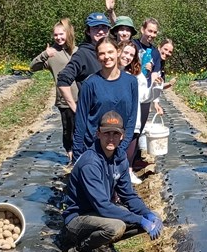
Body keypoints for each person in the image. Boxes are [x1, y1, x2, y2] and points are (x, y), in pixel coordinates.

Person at [60, 111, 163, 252]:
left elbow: (128, 194)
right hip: (78, 217)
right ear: (98, 134)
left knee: (152, 216)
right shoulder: (90, 164)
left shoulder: (119, 157)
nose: (111, 138)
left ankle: (99, 244)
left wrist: (147, 214)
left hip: (99, 212)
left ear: (122, 136)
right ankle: (79, 249)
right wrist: (140, 219)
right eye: (106, 133)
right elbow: (103, 207)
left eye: (116, 134)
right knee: (116, 226)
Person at [73, 36, 139, 162]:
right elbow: (80, 123)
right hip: (93, 148)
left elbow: (132, 118)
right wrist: (77, 157)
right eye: (102, 54)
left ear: (118, 52)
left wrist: (123, 146)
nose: (106, 57)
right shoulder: (90, 84)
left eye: (110, 52)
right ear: (97, 57)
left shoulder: (131, 82)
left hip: (119, 148)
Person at [32, 19, 78, 163]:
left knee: (81, 129)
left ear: (69, 33)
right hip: (64, 100)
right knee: (68, 129)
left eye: (61, 34)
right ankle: (71, 155)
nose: (58, 38)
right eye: (55, 35)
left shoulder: (78, 51)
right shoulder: (52, 54)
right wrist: (44, 54)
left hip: (82, 97)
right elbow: (33, 67)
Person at [119, 39, 162, 180]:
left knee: (129, 147)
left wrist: (155, 88)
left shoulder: (136, 75)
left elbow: (144, 96)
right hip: (114, 120)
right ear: (118, 51)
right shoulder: (110, 71)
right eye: (125, 52)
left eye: (131, 55)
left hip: (132, 119)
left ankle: (127, 174)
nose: (127, 57)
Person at [57, 12, 112, 112]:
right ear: (88, 31)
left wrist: (111, 11)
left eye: (104, 27)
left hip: (111, 114)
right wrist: (76, 109)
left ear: (108, 31)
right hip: (92, 115)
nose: (101, 31)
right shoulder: (82, 54)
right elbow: (63, 80)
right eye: (96, 28)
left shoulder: (111, 51)